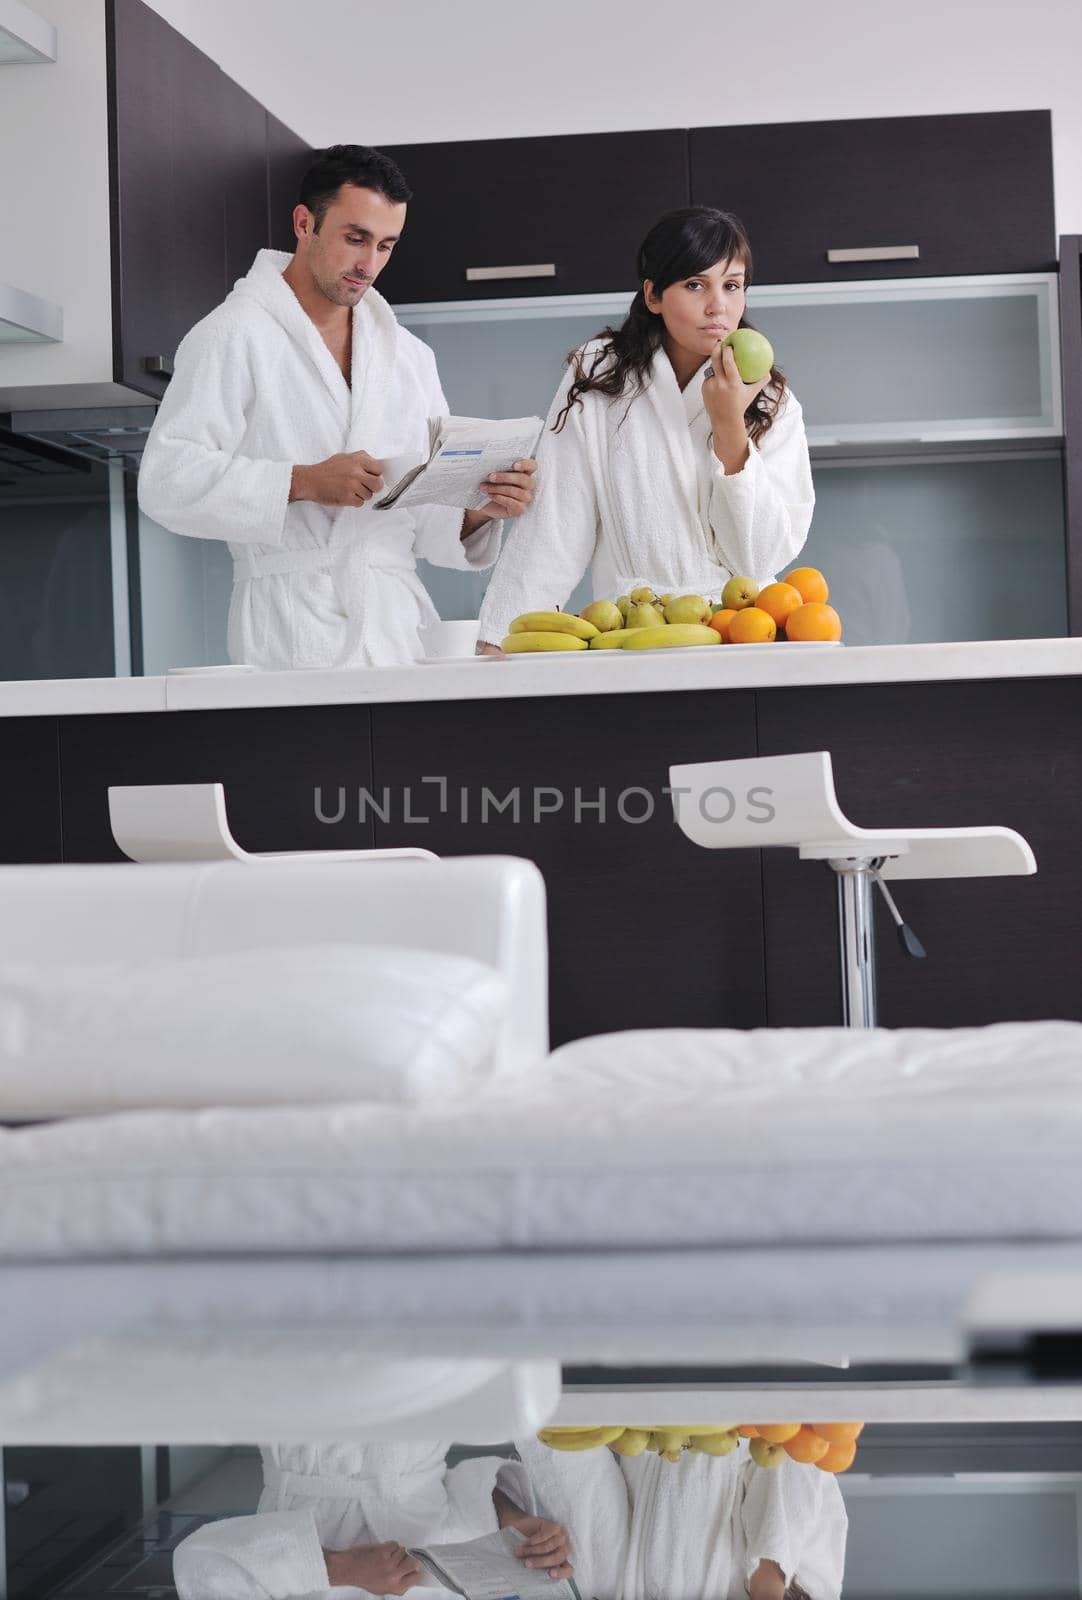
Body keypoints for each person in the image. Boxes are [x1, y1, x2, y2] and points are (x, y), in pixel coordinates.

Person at [138, 144, 537, 671]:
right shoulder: (232, 336)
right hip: (290, 633)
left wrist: (478, 508)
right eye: (355, 239)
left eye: (386, 246)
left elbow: (424, 524)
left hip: (397, 637)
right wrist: (300, 481)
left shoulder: (409, 357)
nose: (368, 264)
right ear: (305, 224)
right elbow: (166, 482)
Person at [476, 205, 813, 649]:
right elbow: (557, 519)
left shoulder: (772, 401)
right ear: (653, 295)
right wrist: (503, 636)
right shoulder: (600, 374)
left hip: (743, 635)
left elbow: (760, 557)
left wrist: (730, 425)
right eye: (695, 285)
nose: (718, 307)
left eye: (733, 286)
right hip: (635, 630)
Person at [172, 1441, 573, 1598]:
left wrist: (339, 1568)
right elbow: (450, 1506)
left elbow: (203, 1563)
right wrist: (513, 1521)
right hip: (420, 1423)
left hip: (309, 1438)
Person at [512, 1433, 847, 1600]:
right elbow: (800, 1452)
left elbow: (575, 1471)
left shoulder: (615, 1589)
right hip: (757, 1364)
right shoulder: (814, 1589)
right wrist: (769, 1581)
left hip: (646, 1375)